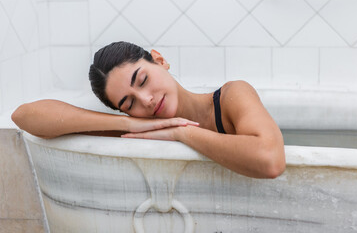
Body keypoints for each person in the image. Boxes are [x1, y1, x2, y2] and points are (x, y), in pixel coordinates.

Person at [11, 41, 285, 179]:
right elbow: (24, 116)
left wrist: (181, 133)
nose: (147, 100)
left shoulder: (232, 97)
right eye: (129, 104)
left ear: (160, 60)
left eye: (142, 80)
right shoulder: (140, 127)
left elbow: (271, 161)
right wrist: (129, 125)